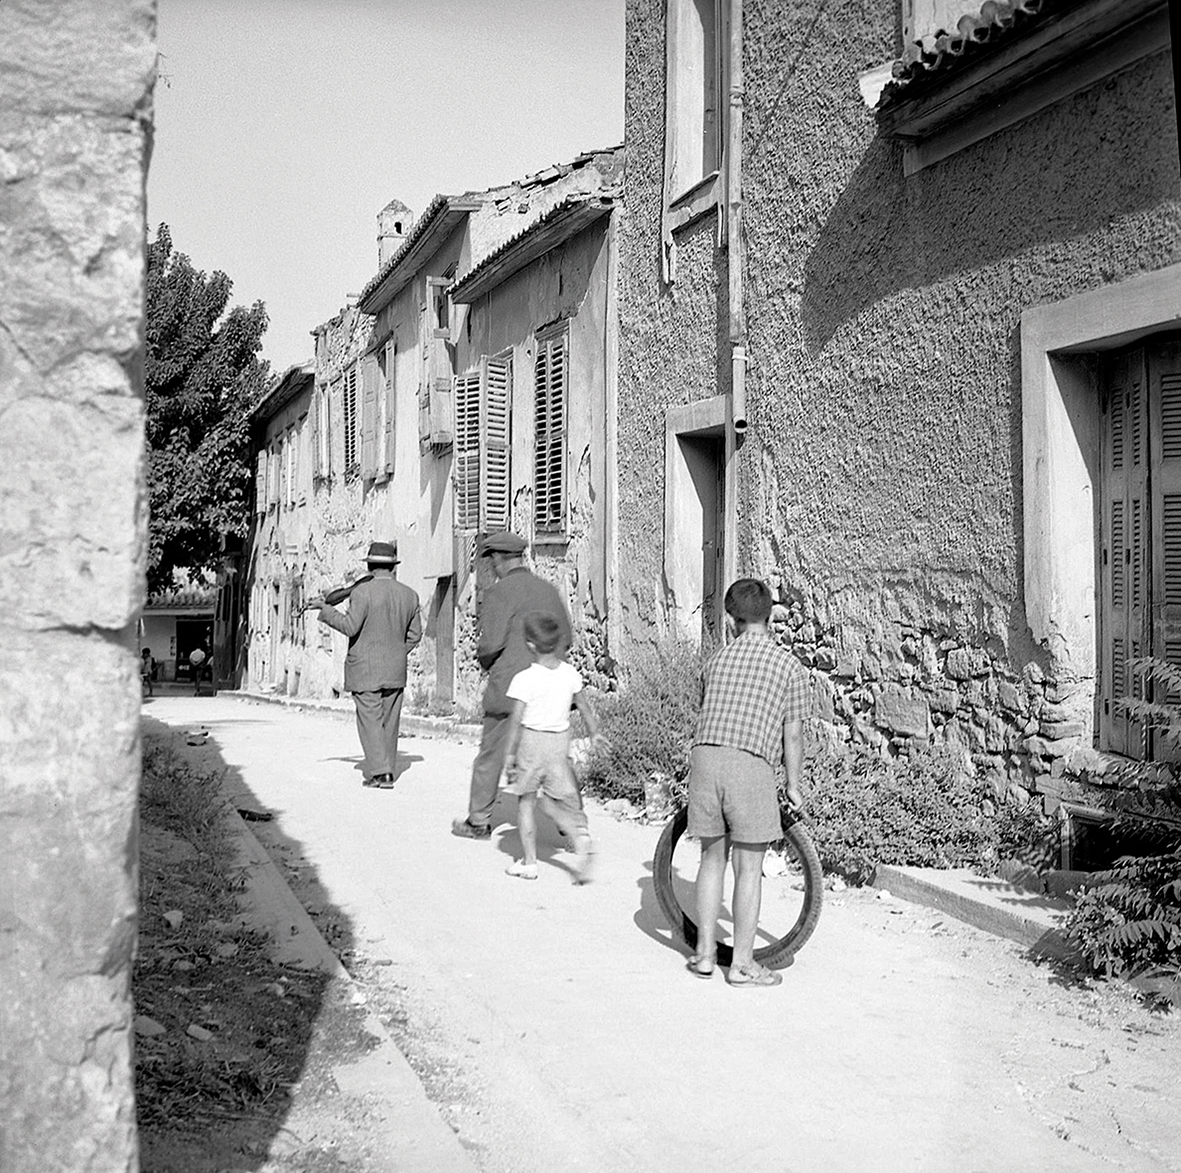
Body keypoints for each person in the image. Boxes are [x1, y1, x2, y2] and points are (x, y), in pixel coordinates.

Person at [687, 578, 810, 988]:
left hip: (705, 758)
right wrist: (793, 784)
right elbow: (792, 734)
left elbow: (706, 709)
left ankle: (704, 955)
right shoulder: (788, 666)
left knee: (711, 859)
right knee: (749, 867)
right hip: (748, 763)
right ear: (770, 614)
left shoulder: (716, 662)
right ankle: (740, 964)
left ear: (731, 618)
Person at [452, 530, 572, 840]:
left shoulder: (498, 593)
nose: (488, 567)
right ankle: (571, 820)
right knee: (555, 758)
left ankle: (478, 821)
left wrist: (486, 662)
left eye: (489, 560)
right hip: (550, 692)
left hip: (509, 690)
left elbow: (490, 644)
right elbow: (567, 639)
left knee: (491, 754)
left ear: (498, 560)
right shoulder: (549, 590)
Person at [314, 541, 422, 789]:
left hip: (364, 668)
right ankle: (387, 768)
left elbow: (350, 627)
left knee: (370, 720)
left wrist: (326, 610)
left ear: (370, 566)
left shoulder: (361, 593)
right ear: (393, 567)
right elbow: (415, 635)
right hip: (395, 668)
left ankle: (380, 772)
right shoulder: (410, 595)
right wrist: (395, 652)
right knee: (390, 721)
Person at [500, 613, 599, 883]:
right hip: (558, 743)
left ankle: (530, 863)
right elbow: (585, 708)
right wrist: (594, 735)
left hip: (532, 743)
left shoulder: (524, 679)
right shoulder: (570, 674)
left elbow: (516, 721)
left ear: (530, 645)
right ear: (557, 643)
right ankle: (580, 839)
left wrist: (509, 754)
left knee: (526, 802)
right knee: (554, 802)